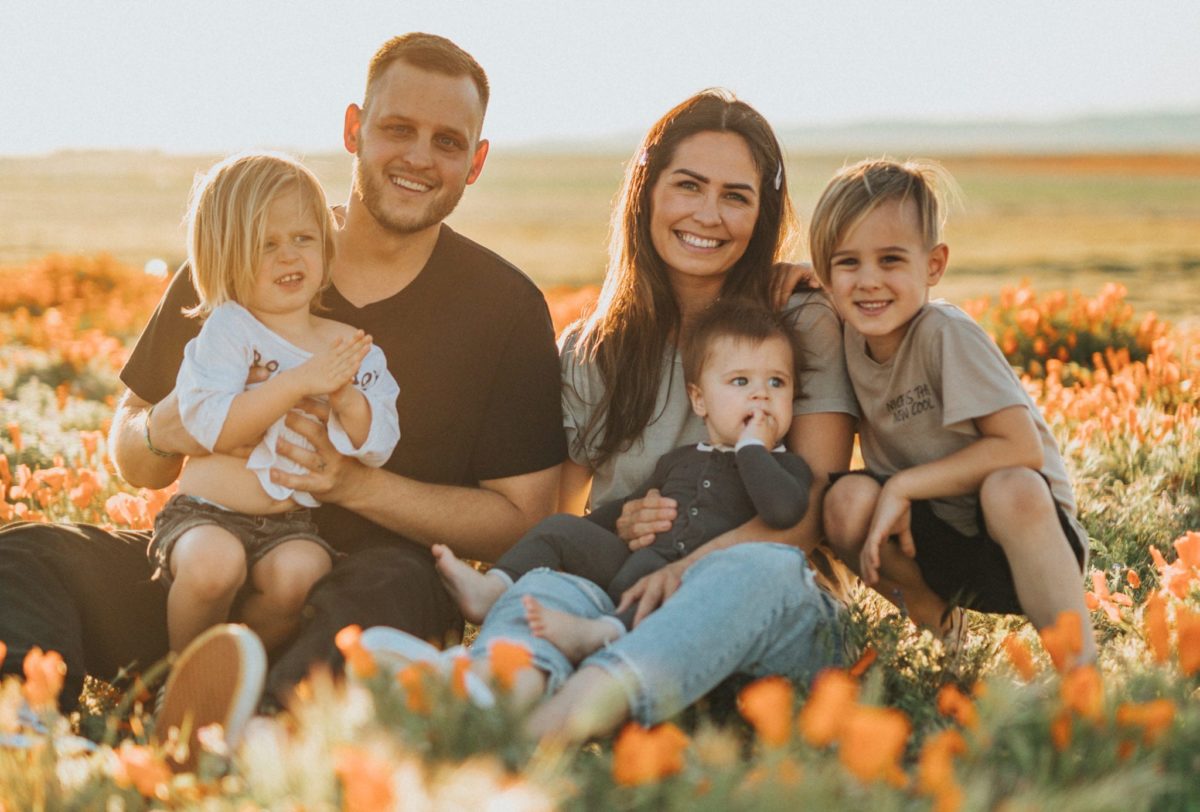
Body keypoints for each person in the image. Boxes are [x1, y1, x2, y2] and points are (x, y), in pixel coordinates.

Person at [0, 32, 565, 752]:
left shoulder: (504, 308)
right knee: (29, 554)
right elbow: (133, 449)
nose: (420, 157)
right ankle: (26, 730)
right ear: (354, 129)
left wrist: (352, 484)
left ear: (476, 162)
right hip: (204, 572)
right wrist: (166, 431)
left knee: (393, 587)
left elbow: (520, 519)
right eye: (398, 129)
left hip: (357, 600)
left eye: (447, 141)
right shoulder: (248, 251)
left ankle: (246, 737)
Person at [366, 89, 858, 743]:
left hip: (768, 616)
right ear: (647, 191)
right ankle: (493, 694)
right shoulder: (593, 350)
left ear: (761, 213)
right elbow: (554, 514)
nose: (709, 215)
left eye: (736, 196)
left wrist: (685, 568)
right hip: (624, 602)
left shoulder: (797, 322)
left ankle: (548, 729)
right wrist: (618, 523)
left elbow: (808, 517)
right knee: (550, 582)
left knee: (753, 568)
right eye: (688, 186)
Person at [812, 158, 1096, 664]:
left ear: (934, 265)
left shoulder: (945, 334)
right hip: (935, 544)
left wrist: (903, 485)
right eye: (848, 263)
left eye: (892, 260)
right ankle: (946, 640)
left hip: (1023, 541)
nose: (869, 281)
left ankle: (1080, 673)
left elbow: (1020, 447)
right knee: (844, 500)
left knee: (1011, 486)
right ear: (826, 274)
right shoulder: (847, 340)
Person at [433, 301, 812, 661]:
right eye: (741, 381)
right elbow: (624, 507)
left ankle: (602, 632)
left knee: (661, 589)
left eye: (777, 383)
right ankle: (493, 588)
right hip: (633, 562)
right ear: (700, 400)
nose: (761, 394)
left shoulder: (787, 469)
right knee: (560, 528)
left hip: (695, 585)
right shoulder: (680, 459)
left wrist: (752, 450)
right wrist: (592, 531)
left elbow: (782, 511)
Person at [151, 151, 400, 657]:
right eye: (266, 245)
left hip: (289, 525)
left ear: (326, 249)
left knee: (302, 574)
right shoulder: (228, 329)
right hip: (205, 513)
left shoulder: (349, 344)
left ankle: (239, 673)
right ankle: (180, 675)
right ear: (225, 257)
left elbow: (378, 444)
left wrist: (344, 397)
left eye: (303, 239)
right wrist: (299, 381)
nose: (289, 257)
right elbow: (212, 428)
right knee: (214, 566)